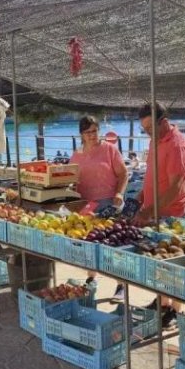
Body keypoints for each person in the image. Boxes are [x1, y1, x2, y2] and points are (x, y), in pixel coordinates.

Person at [132, 103, 185, 326]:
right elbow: (151, 176)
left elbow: (175, 187)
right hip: (154, 213)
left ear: (163, 121)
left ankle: (175, 310)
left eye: (150, 127)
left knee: (173, 265)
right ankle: (162, 302)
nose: (147, 132)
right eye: (144, 128)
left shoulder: (176, 144)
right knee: (159, 264)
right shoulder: (155, 141)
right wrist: (139, 197)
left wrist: (148, 210)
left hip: (170, 215)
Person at [70, 115, 129, 285]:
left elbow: (124, 174)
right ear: (81, 134)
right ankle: (91, 279)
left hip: (109, 204)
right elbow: (72, 180)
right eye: (88, 132)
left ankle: (120, 285)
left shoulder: (110, 149)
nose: (92, 135)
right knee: (89, 245)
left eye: (95, 131)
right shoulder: (76, 155)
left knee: (113, 247)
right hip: (86, 206)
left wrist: (119, 193)